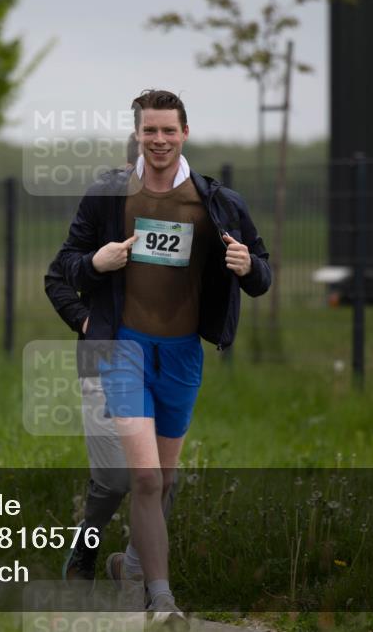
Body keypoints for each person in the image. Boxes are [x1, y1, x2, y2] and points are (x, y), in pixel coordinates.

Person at [53, 90, 272, 624]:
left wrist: (248, 267)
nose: (159, 140)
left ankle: (127, 566)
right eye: (149, 130)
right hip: (124, 349)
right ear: (137, 135)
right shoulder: (109, 195)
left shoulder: (217, 203)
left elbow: (262, 274)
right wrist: (96, 266)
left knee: (164, 482)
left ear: (185, 133)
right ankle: (162, 600)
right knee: (145, 479)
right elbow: (64, 266)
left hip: (181, 355)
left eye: (168, 130)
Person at [46, 132, 179, 594]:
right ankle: (86, 546)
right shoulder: (103, 208)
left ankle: (135, 569)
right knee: (116, 477)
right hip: (104, 358)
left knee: (161, 475)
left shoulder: (182, 216)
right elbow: (56, 277)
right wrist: (87, 320)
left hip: (160, 363)